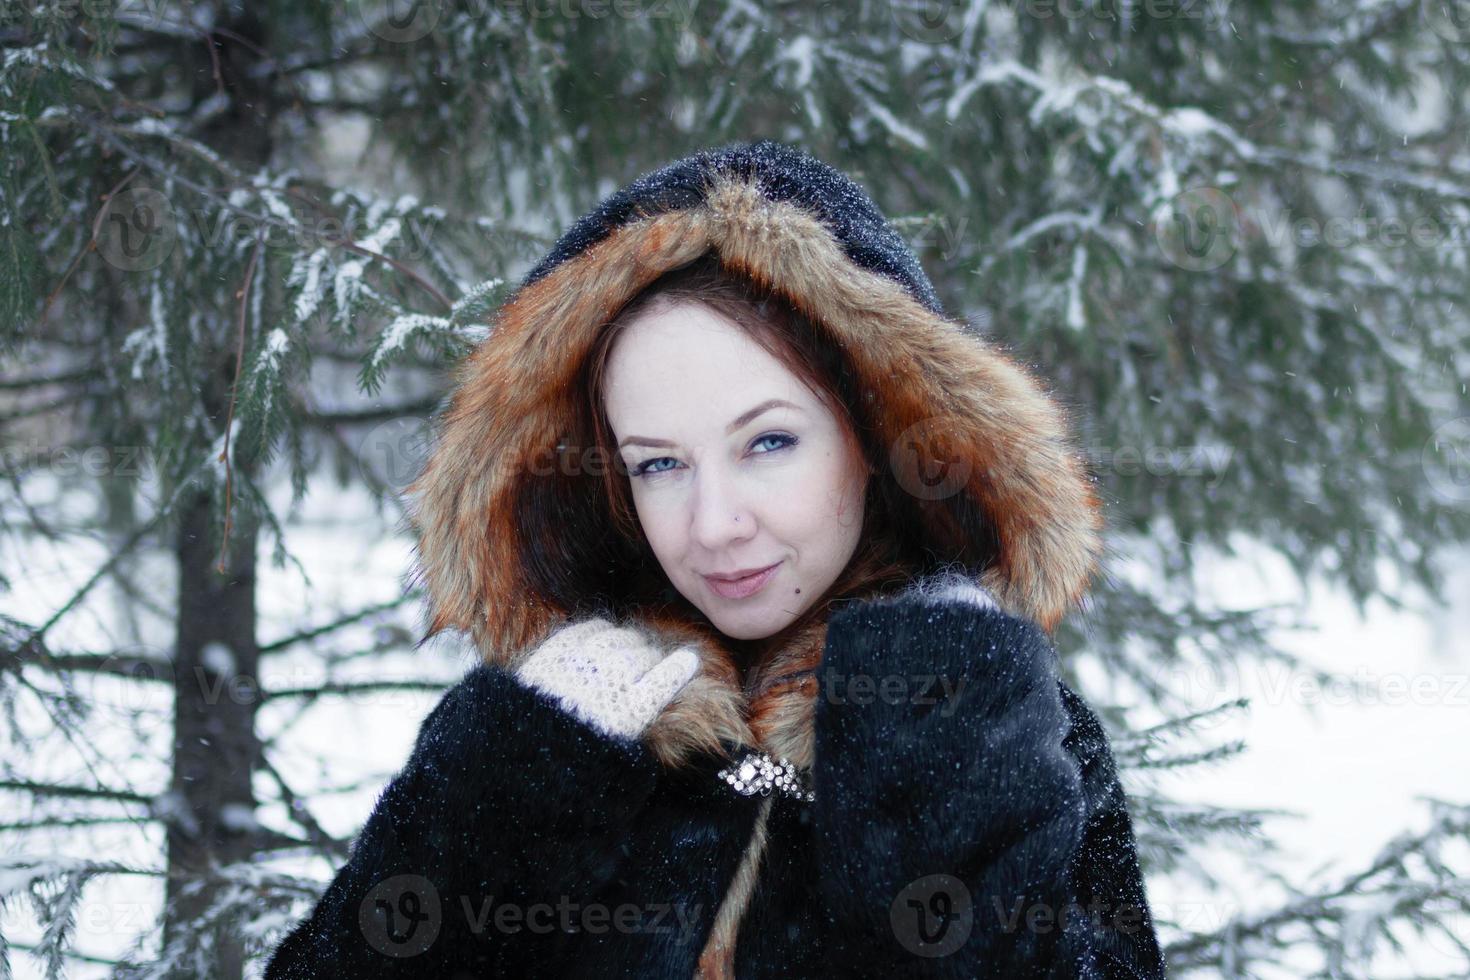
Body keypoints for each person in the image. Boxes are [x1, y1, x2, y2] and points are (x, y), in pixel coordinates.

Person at [263, 139, 1168, 979]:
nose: (714, 525)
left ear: (875, 434)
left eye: (768, 443)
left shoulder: (1004, 719)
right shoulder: (541, 724)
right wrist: (507, 792)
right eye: (660, 463)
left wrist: (940, 762)